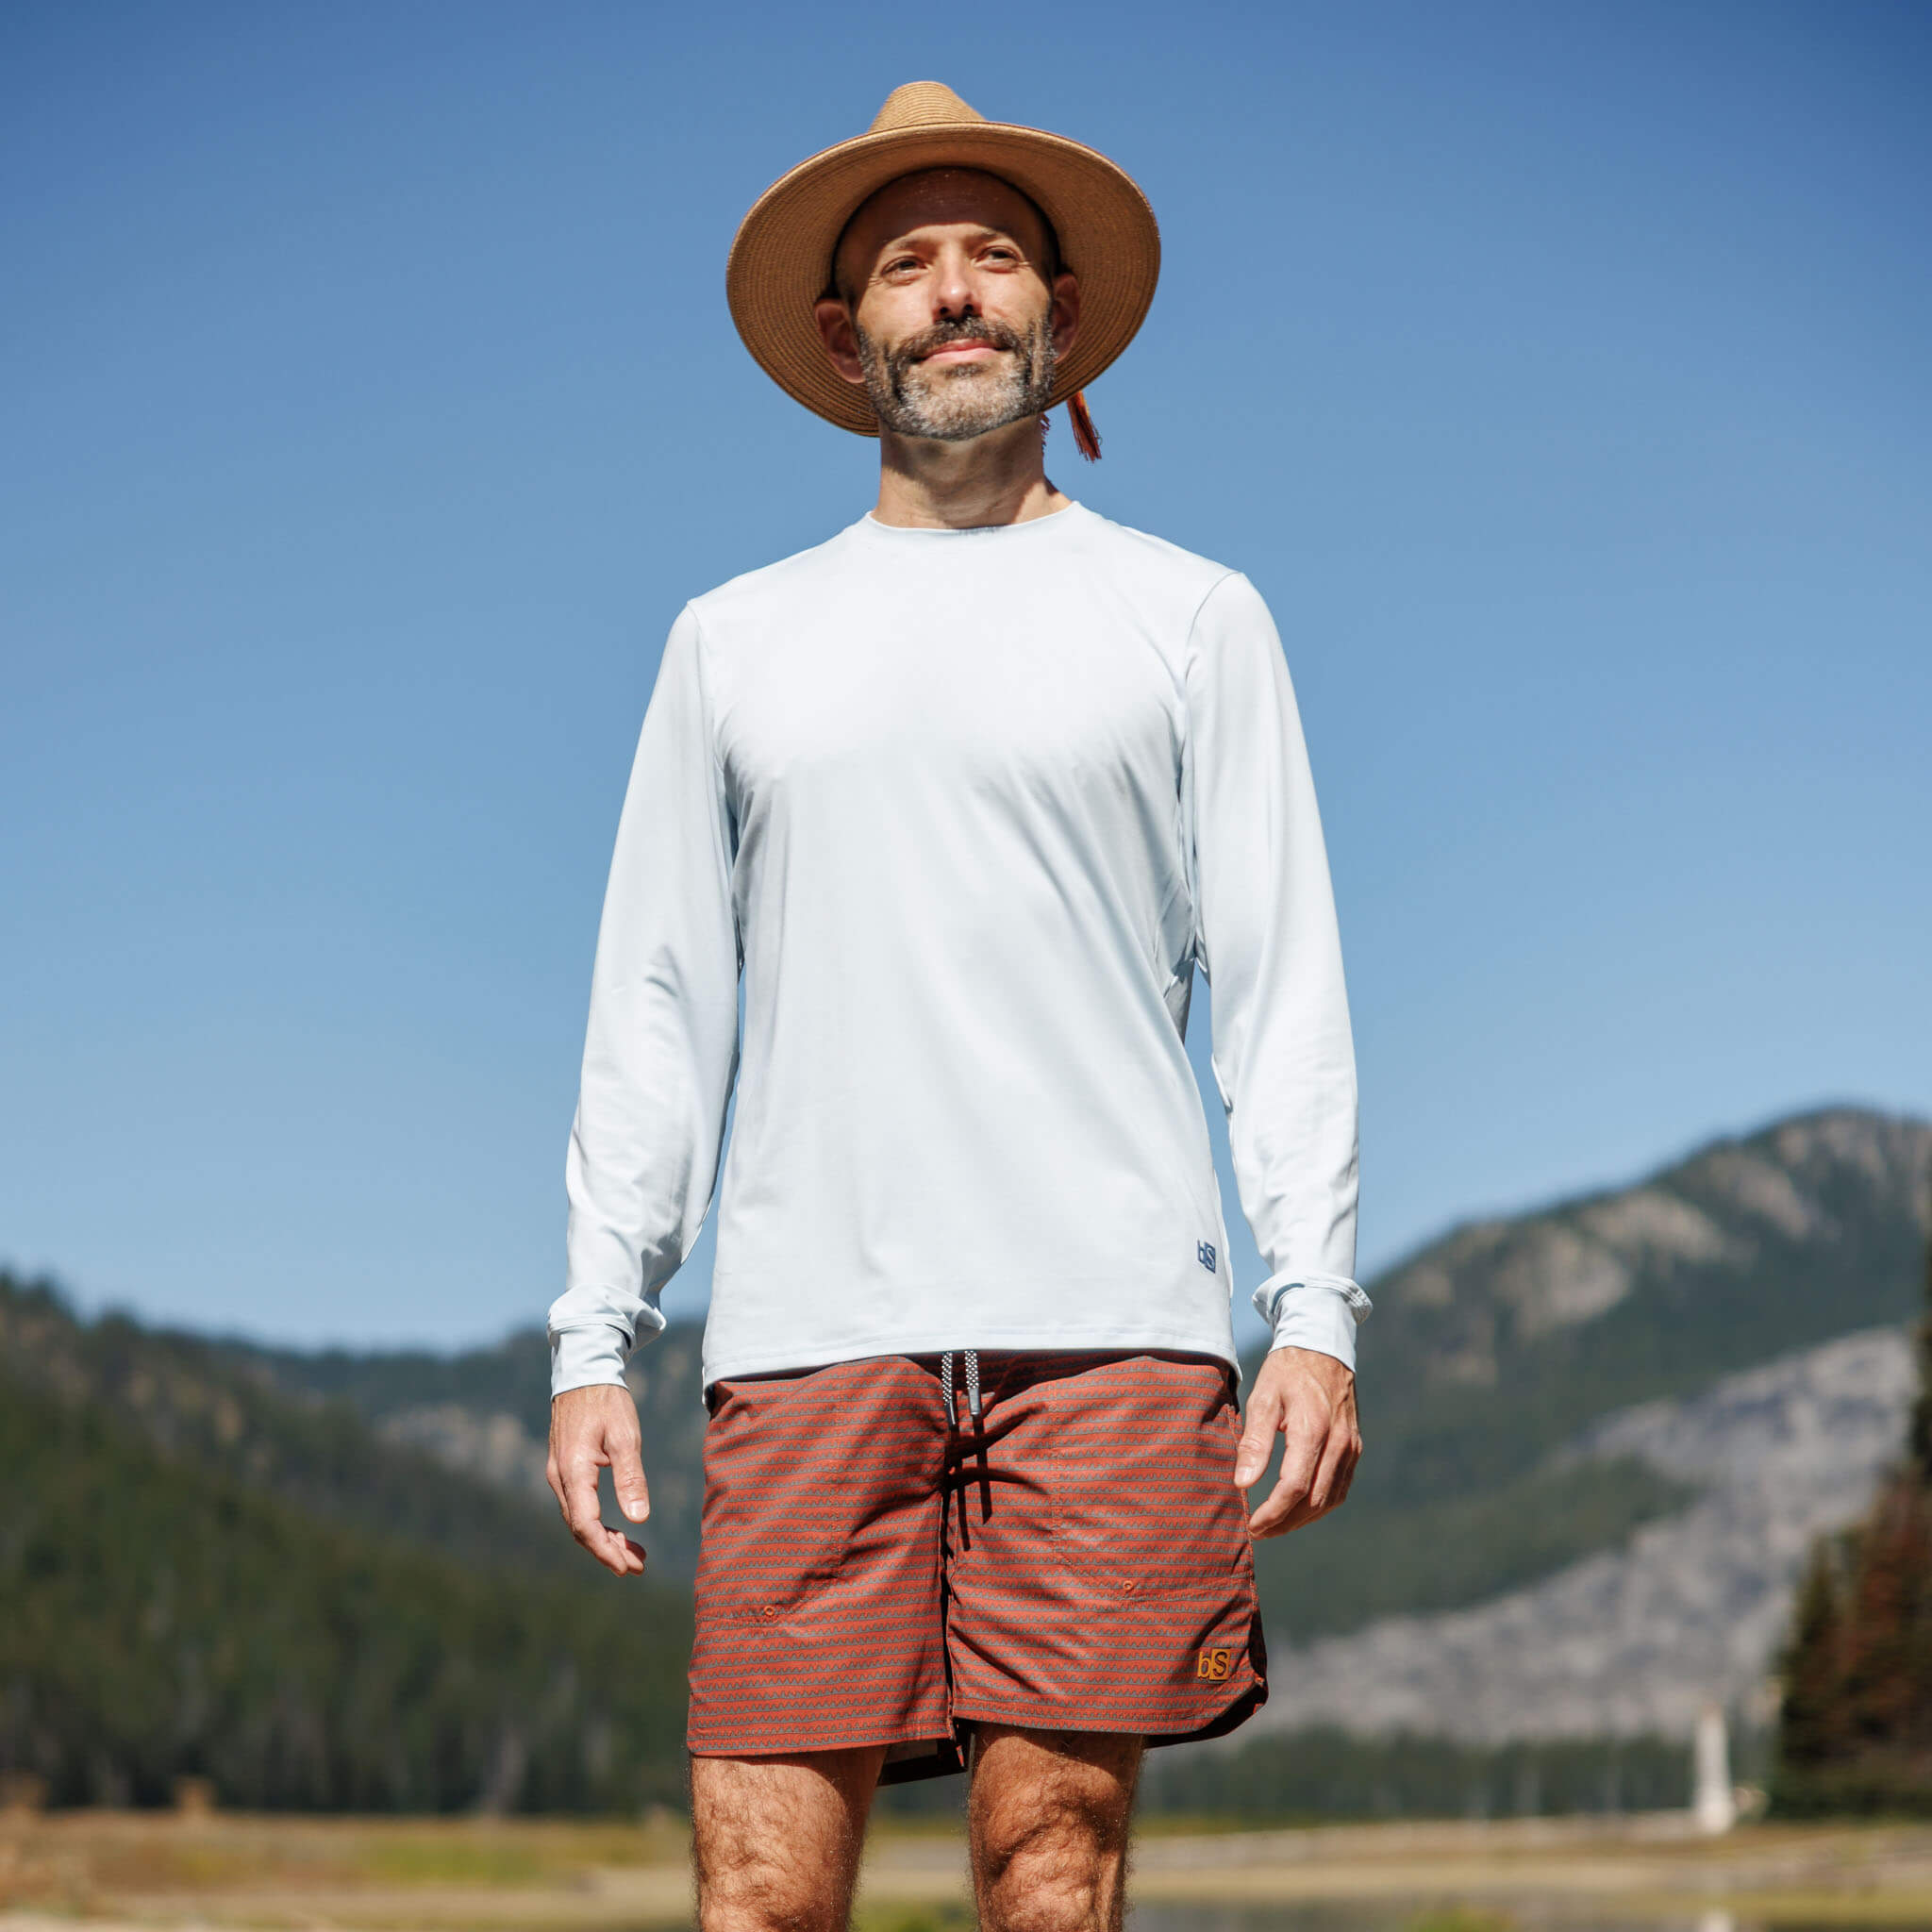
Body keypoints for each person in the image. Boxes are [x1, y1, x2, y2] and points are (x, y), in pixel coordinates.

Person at [545, 81, 1368, 1932]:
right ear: (849, 342)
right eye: (909, 267)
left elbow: (1282, 982)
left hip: (1108, 1334)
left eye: (993, 255)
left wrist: (1310, 1305)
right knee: (760, 1899)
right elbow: (653, 998)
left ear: (1057, 316)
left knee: (1050, 1881)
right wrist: (596, 1327)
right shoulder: (730, 642)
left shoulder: (1190, 617)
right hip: (801, 1339)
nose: (956, 293)